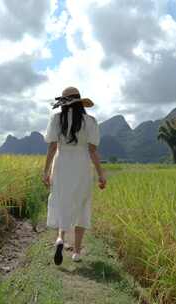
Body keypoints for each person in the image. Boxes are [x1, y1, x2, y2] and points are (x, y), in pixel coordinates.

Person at [42, 87, 107, 265]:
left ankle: (60, 239)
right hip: (82, 166)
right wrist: (101, 174)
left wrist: (45, 171)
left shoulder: (56, 119)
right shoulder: (90, 121)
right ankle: (77, 252)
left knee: (62, 200)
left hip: (61, 164)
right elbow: (93, 151)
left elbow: (52, 147)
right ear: (80, 102)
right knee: (81, 204)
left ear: (63, 103)